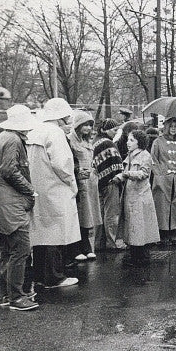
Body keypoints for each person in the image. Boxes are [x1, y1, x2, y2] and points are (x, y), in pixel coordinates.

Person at [0, 104, 38, 311]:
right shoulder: (14, 140)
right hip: (12, 206)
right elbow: (9, 170)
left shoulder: (2, 137)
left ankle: (5, 296)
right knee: (21, 250)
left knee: (4, 251)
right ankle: (17, 297)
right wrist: (30, 190)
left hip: (0, 204)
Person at [27, 97, 79, 289]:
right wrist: (72, 183)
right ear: (61, 117)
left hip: (38, 189)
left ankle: (40, 276)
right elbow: (63, 164)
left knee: (40, 234)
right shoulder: (55, 133)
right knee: (56, 234)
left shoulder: (35, 131)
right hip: (55, 189)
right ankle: (55, 276)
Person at [114, 128, 161, 268]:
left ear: (139, 142)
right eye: (128, 139)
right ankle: (135, 255)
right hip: (130, 195)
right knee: (132, 226)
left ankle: (141, 257)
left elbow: (144, 173)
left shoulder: (145, 155)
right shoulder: (130, 155)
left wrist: (127, 174)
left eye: (131, 140)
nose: (128, 142)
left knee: (140, 227)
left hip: (140, 196)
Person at [68, 111, 102, 260]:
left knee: (88, 216)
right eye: (85, 124)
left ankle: (86, 245)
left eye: (90, 125)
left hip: (90, 182)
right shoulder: (70, 140)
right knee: (80, 215)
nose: (88, 128)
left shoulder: (88, 141)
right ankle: (78, 248)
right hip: (79, 182)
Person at [151, 116, 176, 246]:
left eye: (175, 127)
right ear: (166, 127)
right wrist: (159, 176)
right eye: (171, 127)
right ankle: (163, 234)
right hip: (162, 179)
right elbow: (153, 160)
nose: (173, 129)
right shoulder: (158, 141)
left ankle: (174, 233)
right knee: (162, 206)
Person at [92, 119, 126, 251]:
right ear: (104, 130)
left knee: (99, 214)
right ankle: (112, 242)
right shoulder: (108, 143)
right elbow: (116, 162)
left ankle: (98, 243)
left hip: (98, 182)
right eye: (113, 129)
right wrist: (119, 176)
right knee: (111, 214)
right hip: (110, 181)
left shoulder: (95, 141)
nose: (115, 132)